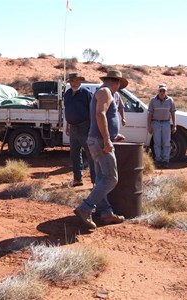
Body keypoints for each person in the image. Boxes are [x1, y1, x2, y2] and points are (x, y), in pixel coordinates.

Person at [73, 70, 128, 229]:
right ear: (116, 82)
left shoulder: (102, 92)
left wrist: (111, 135)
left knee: (100, 179)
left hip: (97, 140)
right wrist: (106, 139)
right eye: (119, 85)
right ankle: (85, 208)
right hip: (100, 141)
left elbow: (101, 117)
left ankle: (106, 212)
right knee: (111, 178)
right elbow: (100, 115)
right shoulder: (105, 92)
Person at [64, 73, 95, 187]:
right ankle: (77, 179)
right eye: (72, 81)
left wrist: (92, 127)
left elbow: (92, 111)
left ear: (80, 82)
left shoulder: (86, 93)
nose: (75, 83)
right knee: (74, 154)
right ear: (70, 82)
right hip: (72, 127)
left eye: (77, 81)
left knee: (90, 154)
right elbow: (68, 110)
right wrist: (67, 126)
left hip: (85, 127)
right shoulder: (67, 94)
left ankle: (95, 181)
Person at [147, 83, 176, 169]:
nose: (162, 92)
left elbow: (173, 113)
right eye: (161, 90)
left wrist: (174, 125)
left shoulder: (170, 100)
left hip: (166, 123)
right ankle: (158, 160)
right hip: (156, 123)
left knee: (166, 143)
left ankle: (165, 161)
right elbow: (150, 114)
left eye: (164, 91)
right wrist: (149, 126)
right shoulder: (153, 100)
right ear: (158, 91)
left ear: (166, 91)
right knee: (157, 143)